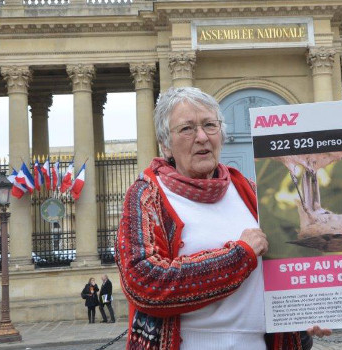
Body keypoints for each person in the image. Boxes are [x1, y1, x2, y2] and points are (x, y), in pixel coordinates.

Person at [116, 87, 329, 350]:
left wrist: (311, 312)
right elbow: (143, 283)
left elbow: (289, 268)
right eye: (187, 129)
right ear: (165, 145)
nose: (202, 137)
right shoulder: (147, 195)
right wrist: (239, 257)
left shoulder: (251, 191)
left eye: (209, 125)